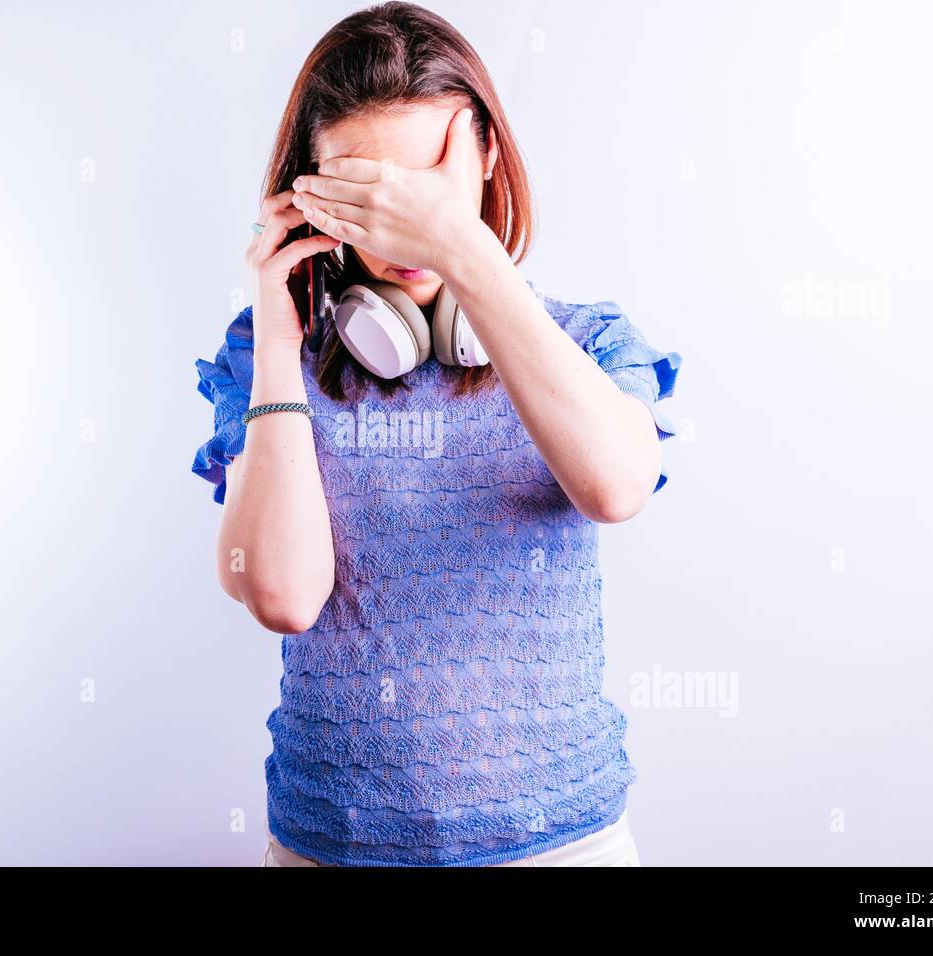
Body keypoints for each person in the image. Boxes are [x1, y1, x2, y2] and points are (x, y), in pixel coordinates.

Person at [192, 2, 681, 867]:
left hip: (561, 847)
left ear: (486, 156)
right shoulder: (271, 359)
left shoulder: (589, 344)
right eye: (369, 197)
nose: (403, 230)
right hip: (330, 847)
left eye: (427, 189)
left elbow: (617, 488)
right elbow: (281, 596)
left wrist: (467, 250)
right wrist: (274, 332)